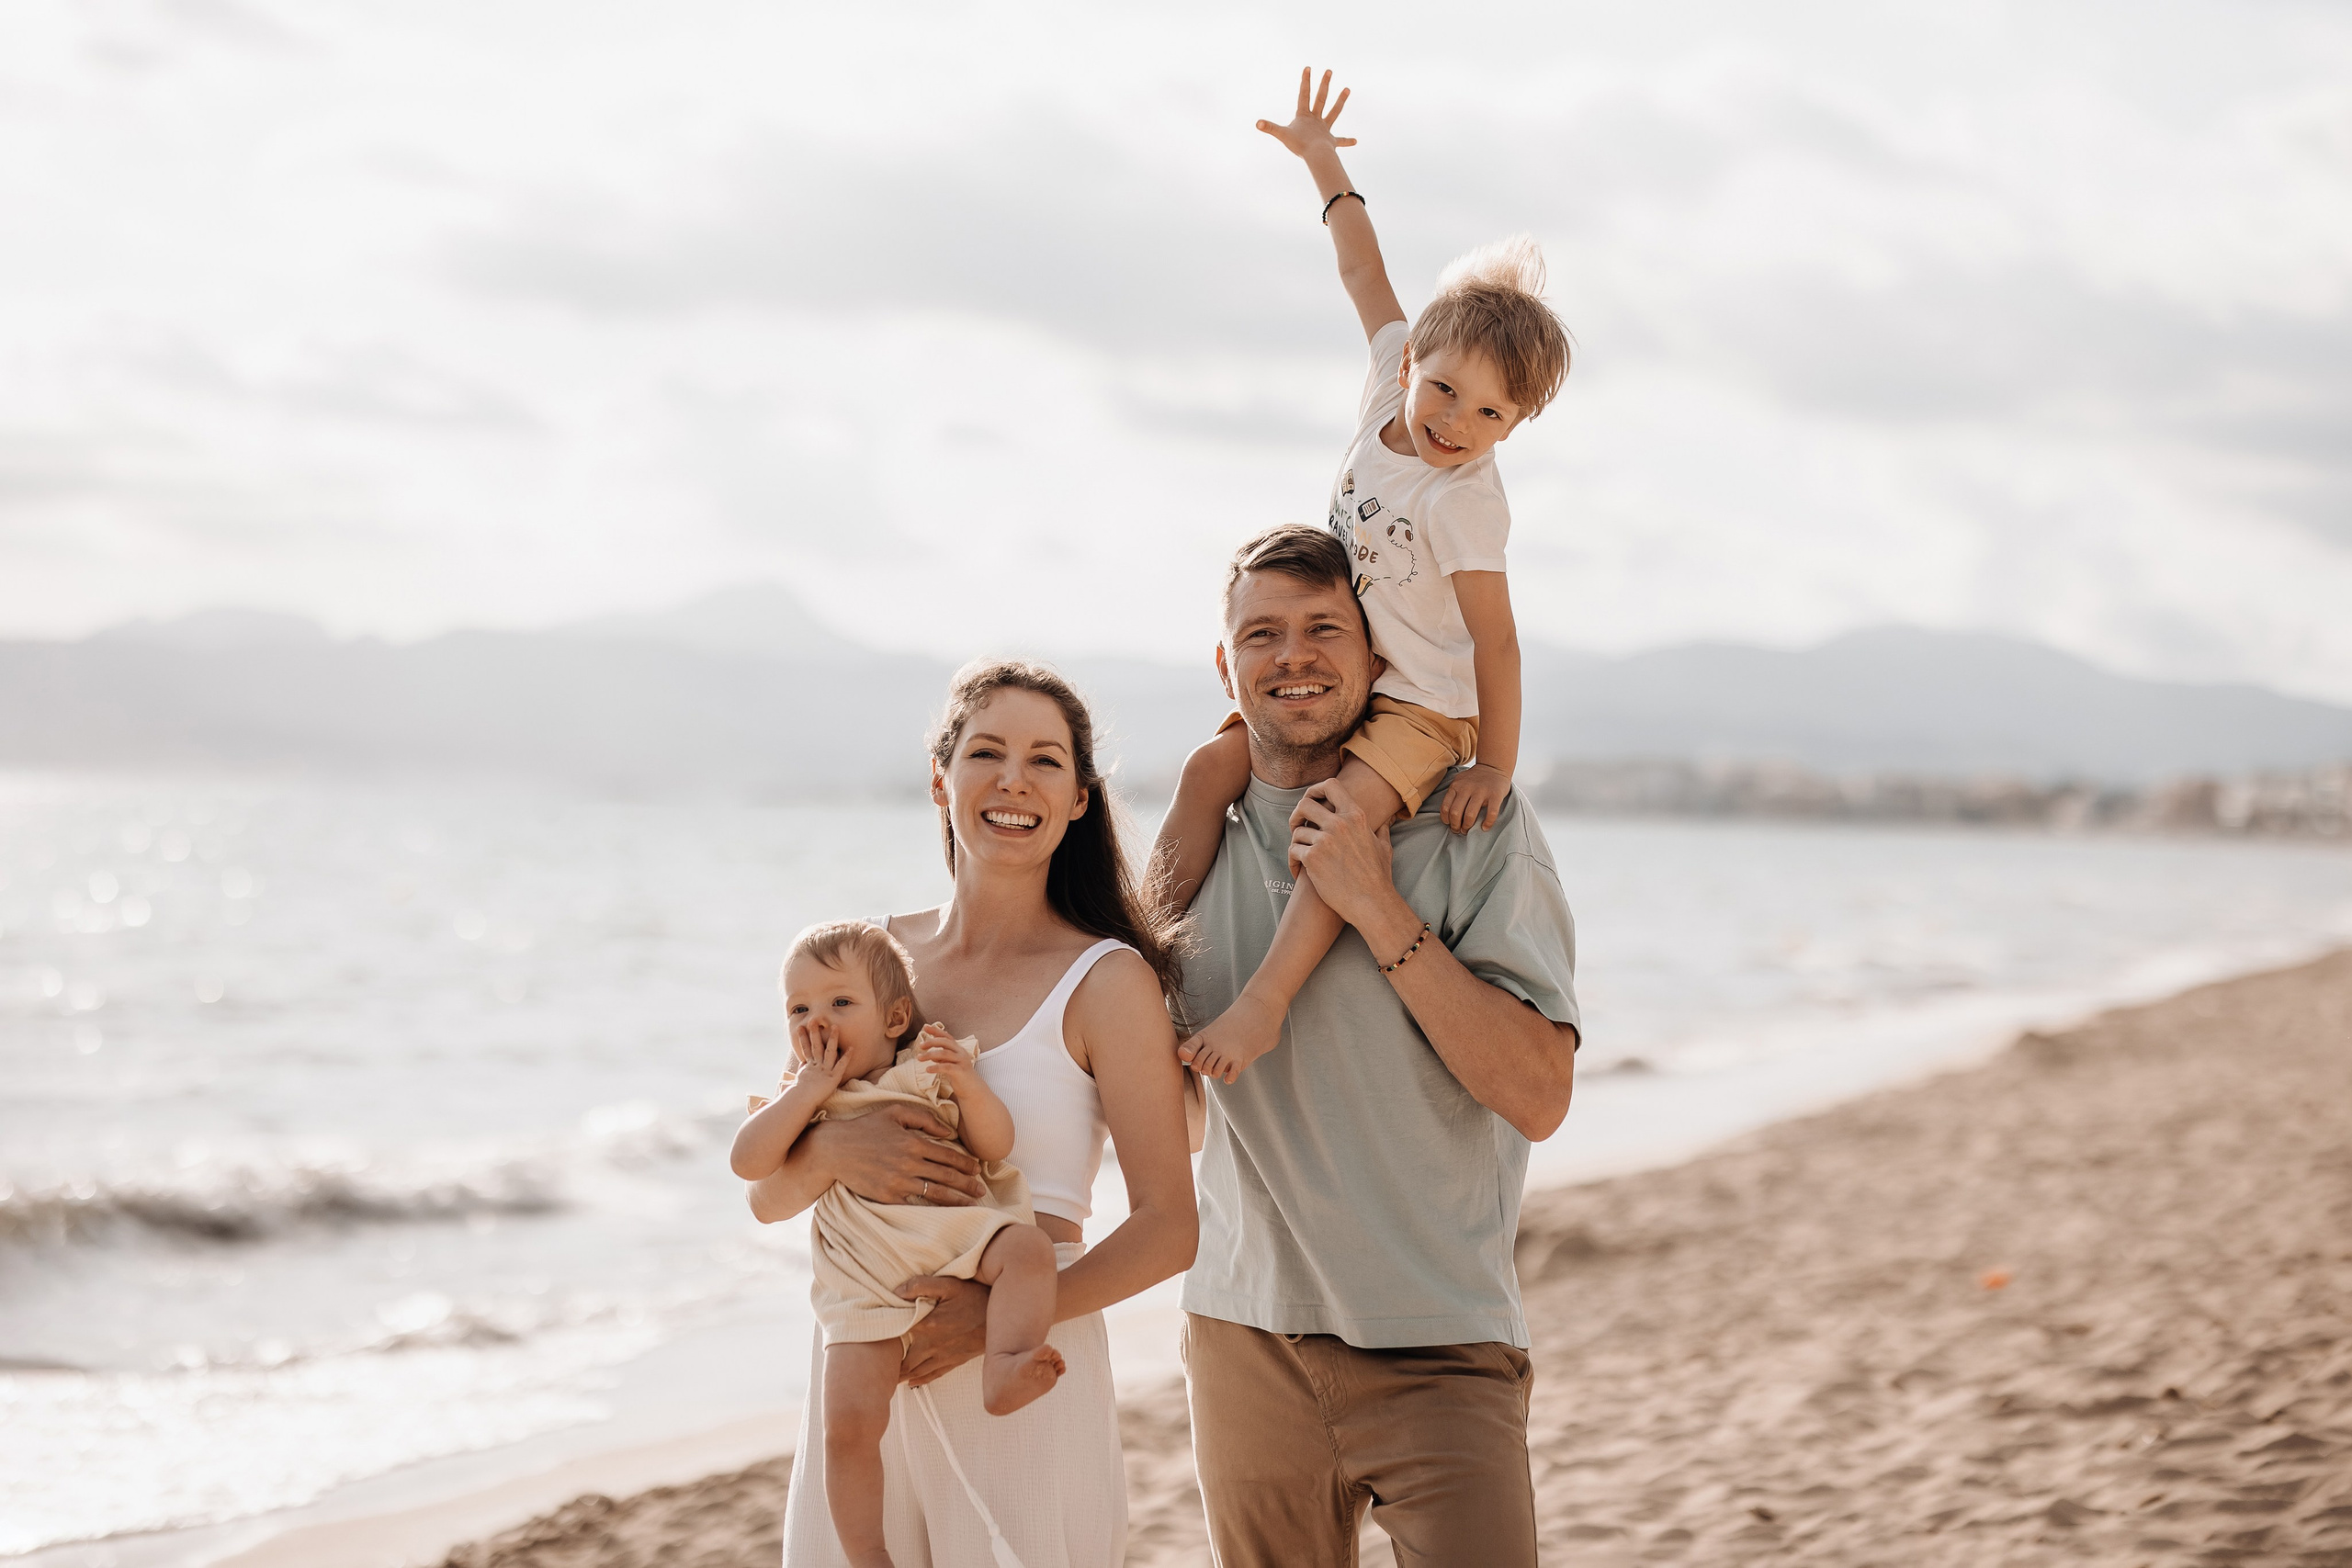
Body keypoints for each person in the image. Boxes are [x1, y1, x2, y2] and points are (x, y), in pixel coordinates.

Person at [1157, 66, 1573, 1086]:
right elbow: (1360, 272)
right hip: (1361, 662)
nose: (1453, 427)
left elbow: (1496, 644)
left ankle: (1264, 1004)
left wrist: (1493, 765)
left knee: (1333, 824)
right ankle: (1137, 950)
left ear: (1514, 427)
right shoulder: (1384, 384)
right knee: (1210, 769)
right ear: (1406, 365)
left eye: (1490, 418)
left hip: (1423, 703)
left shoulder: (1465, 499)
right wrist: (1320, 160)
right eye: (1443, 393)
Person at [1179, 525, 1581, 1568]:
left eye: (1324, 628)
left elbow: (1538, 1094)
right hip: (1244, 1337)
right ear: (1226, 666)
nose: (1294, 655)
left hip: (1440, 1338)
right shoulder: (1198, 841)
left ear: (1377, 653)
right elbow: (1113, 1055)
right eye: (1260, 633)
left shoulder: (1474, 825)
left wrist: (1375, 908)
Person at [746, 661, 1197, 1568]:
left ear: (1077, 800)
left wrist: (1000, 1324)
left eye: (1045, 761)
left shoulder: (1107, 981)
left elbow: (1169, 1228)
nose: (1013, 780)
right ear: (940, 777)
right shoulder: (868, 961)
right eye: (985, 752)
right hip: (865, 1357)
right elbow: (768, 1196)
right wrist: (834, 1142)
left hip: (1024, 1371)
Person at [731, 920, 1069, 1568]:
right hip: (864, 1282)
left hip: (959, 1239)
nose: (816, 1022)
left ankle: (1006, 1362)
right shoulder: (800, 1101)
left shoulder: (927, 1068)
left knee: (1028, 1250)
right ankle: (868, 1553)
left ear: (895, 1018)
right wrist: (805, 1092)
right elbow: (750, 1166)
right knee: (849, 1429)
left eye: (839, 1003)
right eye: (798, 1008)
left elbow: (996, 1143)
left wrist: (968, 1085)